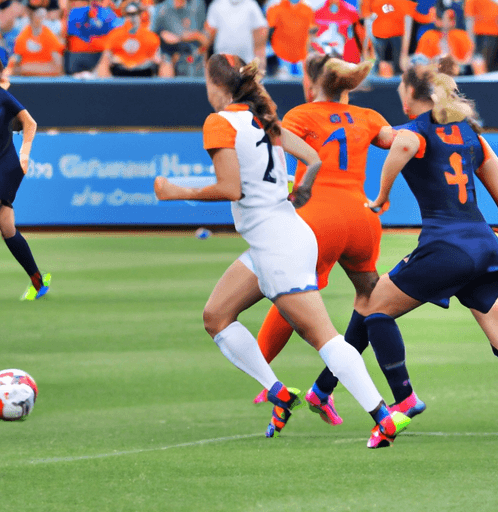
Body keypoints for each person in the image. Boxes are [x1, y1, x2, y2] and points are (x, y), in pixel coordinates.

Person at [154, 52, 409, 446]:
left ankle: (383, 416)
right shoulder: (264, 119)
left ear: (217, 86)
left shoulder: (219, 122)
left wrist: (176, 192)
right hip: (281, 238)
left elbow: (230, 189)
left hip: (278, 246)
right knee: (216, 316)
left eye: (207, 81)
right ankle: (278, 390)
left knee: (325, 338)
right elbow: (312, 157)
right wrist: (302, 188)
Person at [253, 53, 395, 429]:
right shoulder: (369, 117)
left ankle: (264, 372)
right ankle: (354, 390)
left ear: (310, 82)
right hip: (363, 217)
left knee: (291, 291)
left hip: (319, 217)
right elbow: (399, 144)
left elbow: (271, 149)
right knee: (371, 298)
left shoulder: (301, 114)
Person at [359, 67, 498, 447]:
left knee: (375, 309)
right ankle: (328, 386)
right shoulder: (471, 132)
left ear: (410, 93)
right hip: (485, 243)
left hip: (447, 247)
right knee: (496, 327)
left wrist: (381, 196)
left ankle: (404, 400)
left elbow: (400, 145)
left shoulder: (416, 129)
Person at [0, 22, 50, 300]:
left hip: (7, 166)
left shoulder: (3, 97)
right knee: (7, 228)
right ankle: (38, 281)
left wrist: (25, 152)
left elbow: (30, 123)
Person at [95, 1, 161, 77]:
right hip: (120, 71)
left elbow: (156, 60)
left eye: (135, 14)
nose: (132, 17)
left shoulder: (151, 36)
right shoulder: (115, 34)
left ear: (140, 15)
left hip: (143, 72)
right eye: (129, 14)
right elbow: (105, 58)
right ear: (125, 15)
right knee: (104, 63)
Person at [4, 0, 64, 77]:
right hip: (26, 82)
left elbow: (58, 68)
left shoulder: (49, 36)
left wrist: (26, 68)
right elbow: (14, 67)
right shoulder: (23, 36)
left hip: (46, 82)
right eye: (32, 10)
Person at [204, 0, 268, 72]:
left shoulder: (251, 6)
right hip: (222, 66)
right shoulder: (216, 5)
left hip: (247, 65)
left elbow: (261, 38)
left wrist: (259, 70)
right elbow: (207, 40)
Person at [152, 0, 207, 77]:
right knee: (166, 66)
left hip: (193, 58)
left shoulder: (197, 4)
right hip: (169, 57)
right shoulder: (161, 9)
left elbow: (204, 39)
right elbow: (151, 38)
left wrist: (182, 38)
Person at [265, 0, 315, 79]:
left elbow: (312, 32)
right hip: (281, 55)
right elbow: (267, 30)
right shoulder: (275, 7)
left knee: (302, 82)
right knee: (283, 83)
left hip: (301, 55)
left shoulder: (308, 8)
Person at [415, 9, 473, 75]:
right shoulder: (429, 37)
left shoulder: (461, 36)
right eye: (440, 18)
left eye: (451, 19)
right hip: (433, 77)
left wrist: (453, 63)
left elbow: (468, 62)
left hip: (458, 76)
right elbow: (419, 63)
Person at [464, 0, 498, 73]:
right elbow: (469, 19)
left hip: (487, 36)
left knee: (488, 68)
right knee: (485, 68)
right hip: (482, 36)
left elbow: (469, 19)